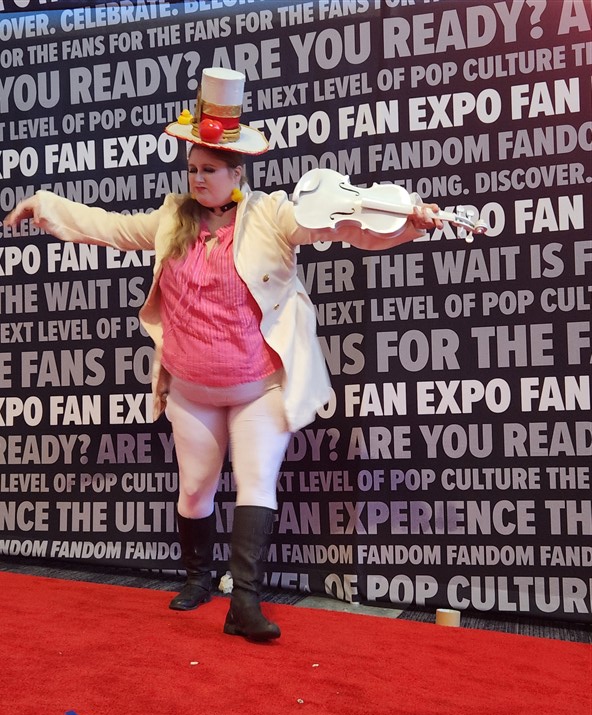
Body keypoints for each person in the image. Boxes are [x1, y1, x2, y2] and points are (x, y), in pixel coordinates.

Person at [4, 67, 443, 642]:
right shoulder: (172, 219)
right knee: (195, 490)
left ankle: (245, 604)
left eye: (209, 170)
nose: (197, 179)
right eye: (192, 169)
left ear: (237, 173)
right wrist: (43, 204)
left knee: (257, 483)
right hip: (193, 388)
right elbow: (108, 227)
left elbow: (346, 228)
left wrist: (409, 223)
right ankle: (197, 578)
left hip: (259, 386)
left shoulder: (273, 216)